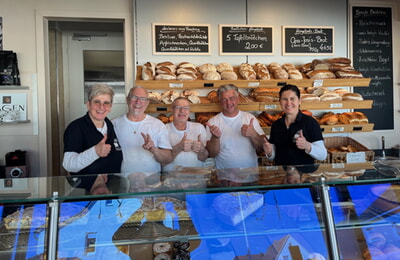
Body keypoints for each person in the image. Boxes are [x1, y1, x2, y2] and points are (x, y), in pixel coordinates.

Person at [63, 83, 122, 175]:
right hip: (86, 188)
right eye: (96, 102)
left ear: (110, 107)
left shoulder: (110, 126)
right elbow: (68, 165)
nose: (101, 107)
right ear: (88, 104)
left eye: (106, 103)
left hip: (111, 187)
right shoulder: (76, 128)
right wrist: (95, 152)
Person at [112, 86, 172, 175]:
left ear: (147, 103)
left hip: (151, 183)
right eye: (134, 97)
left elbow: (167, 159)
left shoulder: (157, 125)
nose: (138, 102)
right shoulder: (113, 124)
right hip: (122, 182)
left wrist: (154, 150)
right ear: (127, 100)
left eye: (143, 99)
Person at [263, 84, 327, 165]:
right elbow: (275, 156)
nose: (288, 103)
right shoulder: (276, 125)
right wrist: (269, 152)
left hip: (304, 175)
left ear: (299, 100)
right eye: (284, 99)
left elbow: (323, 155)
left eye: (292, 99)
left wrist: (307, 145)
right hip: (282, 175)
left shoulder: (310, 123)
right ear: (280, 102)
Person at [206, 84, 265, 169]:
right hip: (225, 176)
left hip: (249, 175)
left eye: (231, 98)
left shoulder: (250, 118)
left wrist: (253, 134)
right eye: (224, 99)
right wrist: (215, 138)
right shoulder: (212, 122)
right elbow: (212, 154)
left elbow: (262, 148)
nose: (228, 102)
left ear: (238, 99)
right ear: (220, 102)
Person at [163, 97, 208, 172]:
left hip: (196, 178)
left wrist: (202, 150)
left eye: (186, 108)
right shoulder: (163, 129)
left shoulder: (199, 127)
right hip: (172, 179)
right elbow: (163, 161)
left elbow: (203, 158)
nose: (182, 111)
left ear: (189, 111)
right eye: (178, 107)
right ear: (172, 110)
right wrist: (179, 147)